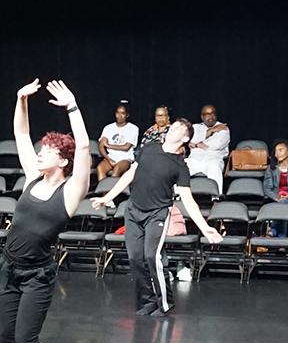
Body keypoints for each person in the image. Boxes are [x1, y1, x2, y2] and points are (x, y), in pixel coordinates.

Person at [0, 79, 92, 343]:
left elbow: (83, 149)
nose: (39, 154)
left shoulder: (71, 192)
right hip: (8, 268)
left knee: (26, 339)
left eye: (47, 152)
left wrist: (72, 107)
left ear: (62, 162)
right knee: (6, 338)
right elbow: (21, 135)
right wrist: (21, 100)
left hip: (37, 276)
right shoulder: (32, 177)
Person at [91, 118, 224, 317]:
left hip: (157, 214)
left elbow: (187, 199)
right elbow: (130, 175)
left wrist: (205, 228)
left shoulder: (180, 166)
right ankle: (147, 301)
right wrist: (108, 197)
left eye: (179, 128)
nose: (173, 128)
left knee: (152, 257)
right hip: (134, 211)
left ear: (185, 138)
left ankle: (164, 302)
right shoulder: (149, 148)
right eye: (174, 126)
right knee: (135, 259)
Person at [184, 104, 230, 184]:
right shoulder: (195, 127)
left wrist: (196, 144)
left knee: (214, 167)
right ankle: (177, 195)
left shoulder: (223, 128)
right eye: (207, 114)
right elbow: (191, 139)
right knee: (181, 167)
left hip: (213, 159)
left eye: (213, 113)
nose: (211, 116)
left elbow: (217, 145)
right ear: (202, 117)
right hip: (195, 159)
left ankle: (216, 196)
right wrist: (210, 131)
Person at [96, 104, 139, 180]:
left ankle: (113, 191)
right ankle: (104, 192)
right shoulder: (108, 127)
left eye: (122, 113)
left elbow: (126, 147)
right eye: (117, 113)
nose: (119, 116)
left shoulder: (133, 128)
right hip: (111, 157)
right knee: (100, 168)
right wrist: (109, 159)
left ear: (127, 115)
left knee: (116, 170)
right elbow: (101, 145)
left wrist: (108, 145)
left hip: (125, 158)